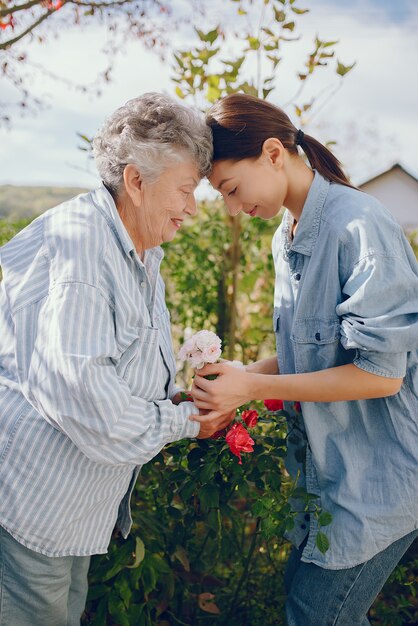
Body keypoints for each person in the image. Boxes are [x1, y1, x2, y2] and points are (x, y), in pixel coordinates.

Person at [0, 92, 235, 626]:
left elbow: (116, 367)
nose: (194, 208)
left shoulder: (138, 248)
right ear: (135, 181)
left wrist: (179, 395)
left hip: (68, 511)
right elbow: (94, 406)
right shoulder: (83, 252)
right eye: (184, 190)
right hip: (31, 508)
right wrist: (189, 419)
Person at [190, 93, 418, 625]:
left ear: (273, 153)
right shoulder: (284, 236)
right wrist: (243, 376)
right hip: (326, 473)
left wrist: (249, 389)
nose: (231, 208)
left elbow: (379, 376)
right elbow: (308, 353)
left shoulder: (358, 227)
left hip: (379, 476)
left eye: (231, 189)